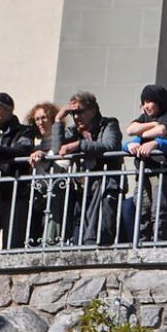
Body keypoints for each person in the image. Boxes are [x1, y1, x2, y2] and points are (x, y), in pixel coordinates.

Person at [50, 91, 122, 245]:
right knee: (78, 234)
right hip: (82, 188)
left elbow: (110, 145)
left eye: (80, 112)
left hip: (104, 185)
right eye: (72, 113)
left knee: (98, 233)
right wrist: (57, 120)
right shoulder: (73, 131)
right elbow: (57, 150)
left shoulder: (108, 124)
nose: (76, 117)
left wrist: (79, 145)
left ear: (93, 110)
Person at [124, 84, 167, 241]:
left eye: (150, 102)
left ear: (160, 102)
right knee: (142, 209)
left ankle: (158, 241)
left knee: (159, 209)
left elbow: (162, 131)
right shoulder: (145, 118)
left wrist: (145, 135)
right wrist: (153, 124)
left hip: (162, 171)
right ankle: (142, 241)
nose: (146, 106)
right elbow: (129, 130)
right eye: (144, 102)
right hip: (144, 171)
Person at [0, 92, 35, 249]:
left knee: (12, 242)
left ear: (9, 110)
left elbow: (21, 151)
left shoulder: (24, 131)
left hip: (14, 193)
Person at [25, 101, 63, 245]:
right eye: (37, 119)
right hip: (37, 193)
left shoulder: (60, 139)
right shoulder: (34, 144)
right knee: (34, 231)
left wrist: (45, 156)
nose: (40, 122)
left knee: (51, 233)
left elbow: (64, 165)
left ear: (53, 118)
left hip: (55, 192)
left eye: (44, 118)